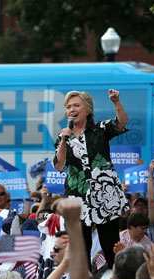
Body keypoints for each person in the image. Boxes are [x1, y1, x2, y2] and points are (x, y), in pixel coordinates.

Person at [53, 89, 129, 267]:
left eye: (76, 105)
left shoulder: (100, 129)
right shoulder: (62, 136)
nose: (72, 109)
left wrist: (116, 102)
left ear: (87, 110)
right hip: (77, 195)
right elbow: (59, 165)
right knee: (81, 246)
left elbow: (122, 122)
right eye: (69, 106)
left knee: (110, 243)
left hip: (105, 193)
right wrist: (64, 140)